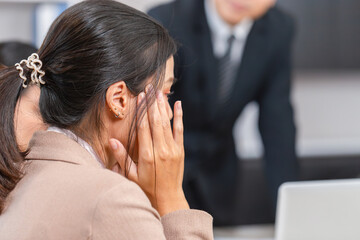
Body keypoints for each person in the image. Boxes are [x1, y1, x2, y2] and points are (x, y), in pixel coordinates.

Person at [0, 0, 213, 239]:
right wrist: (171, 198)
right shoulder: (111, 200)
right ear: (119, 100)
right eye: (165, 93)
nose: (170, 112)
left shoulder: (20, 172)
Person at [149, 0, 298, 225]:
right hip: (163, 169)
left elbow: (278, 128)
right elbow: (152, 108)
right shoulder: (167, 19)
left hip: (220, 177)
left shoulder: (279, 29)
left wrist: (292, 216)